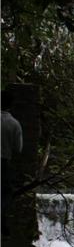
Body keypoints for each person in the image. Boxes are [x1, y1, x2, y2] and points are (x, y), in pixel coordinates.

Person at [2, 90, 23, 235]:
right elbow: (18, 148)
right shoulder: (14, 123)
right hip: (3, 163)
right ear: (11, 105)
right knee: (3, 195)